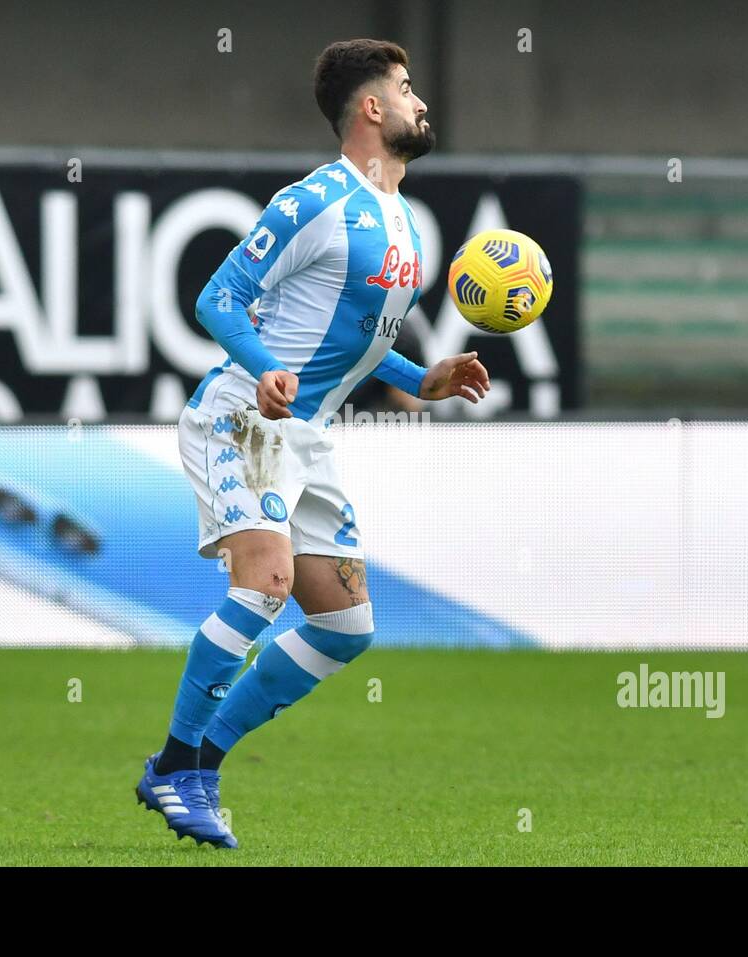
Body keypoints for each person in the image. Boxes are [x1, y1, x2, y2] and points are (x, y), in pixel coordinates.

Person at [135, 39, 490, 848]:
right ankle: (185, 772)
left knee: (345, 626)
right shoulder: (314, 201)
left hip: (309, 437)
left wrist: (421, 376)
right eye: (406, 89)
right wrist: (262, 370)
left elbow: (358, 344)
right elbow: (218, 297)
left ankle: (188, 761)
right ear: (371, 108)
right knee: (265, 581)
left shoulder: (403, 223)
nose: (419, 102)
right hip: (243, 416)